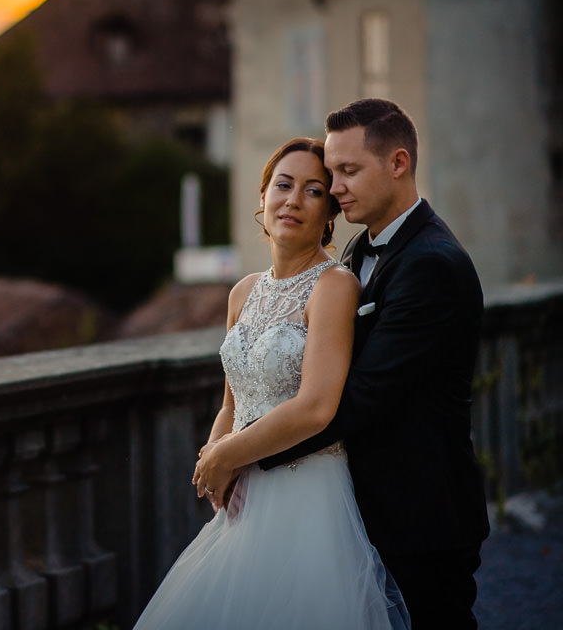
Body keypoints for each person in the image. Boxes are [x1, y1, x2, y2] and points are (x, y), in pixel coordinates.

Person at [202, 99, 490, 628]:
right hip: (355, 506)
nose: (335, 188)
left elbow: (356, 397)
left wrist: (237, 458)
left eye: (347, 172)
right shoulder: (359, 252)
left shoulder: (432, 264)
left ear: (398, 163)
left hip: (418, 514)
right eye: (331, 174)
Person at [133, 137, 409, 629]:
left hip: (305, 495)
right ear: (262, 196)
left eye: (313, 191)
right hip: (243, 498)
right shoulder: (242, 292)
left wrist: (225, 456)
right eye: (283, 185)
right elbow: (231, 403)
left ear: (330, 213)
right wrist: (215, 465)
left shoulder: (334, 286)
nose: (293, 200)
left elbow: (316, 407)